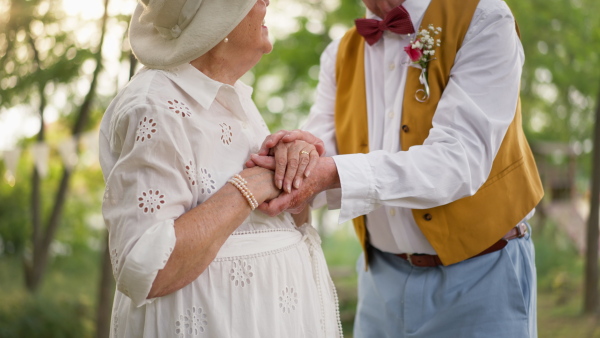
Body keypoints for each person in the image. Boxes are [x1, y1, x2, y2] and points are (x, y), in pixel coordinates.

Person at [248, 0, 544, 337]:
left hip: (482, 277)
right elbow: (320, 149)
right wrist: (294, 156)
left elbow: (459, 161)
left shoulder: (484, 17)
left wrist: (331, 173)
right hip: (378, 282)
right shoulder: (339, 53)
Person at [99, 0, 342, 337]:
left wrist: (292, 178)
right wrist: (250, 187)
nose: (265, 2)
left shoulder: (233, 98)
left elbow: (268, 223)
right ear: (218, 21)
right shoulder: (155, 106)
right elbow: (146, 269)